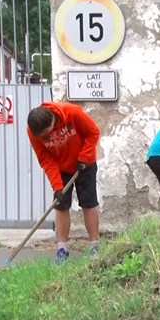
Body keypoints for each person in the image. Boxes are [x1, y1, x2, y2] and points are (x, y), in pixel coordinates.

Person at [27, 102, 101, 263]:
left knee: (89, 203)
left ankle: (94, 245)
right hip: (60, 167)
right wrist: (57, 187)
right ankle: (62, 248)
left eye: (48, 134)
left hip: (84, 162)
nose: (46, 139)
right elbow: (46, 159)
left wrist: (84, 157)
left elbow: (93, 132)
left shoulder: (73, 113)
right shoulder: (33, 131)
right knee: (60, 204)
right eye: (43, 137)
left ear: (52, 120)